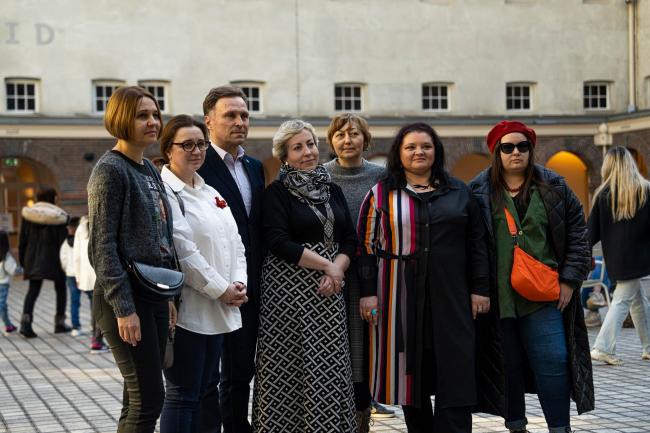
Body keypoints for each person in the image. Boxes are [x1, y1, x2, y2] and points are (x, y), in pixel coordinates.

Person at [357, 122, 490, 433]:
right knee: (410, 372)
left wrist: (480, 289)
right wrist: (368, 292)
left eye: (426, 146)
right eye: (411, 147)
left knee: (454, 370)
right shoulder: (381, 194)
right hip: (398, 297)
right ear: (398, 153)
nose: (419, 152)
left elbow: (477, 244)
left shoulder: (460, 192)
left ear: (436, 151)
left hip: (452, 295)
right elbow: (365, 247)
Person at [469, 120, 593, 433]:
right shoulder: (478, 190)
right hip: (498, 297)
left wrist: (569, 279)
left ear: (531, 150)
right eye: (507, 147)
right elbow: (469, 244)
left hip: (546, 294)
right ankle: (516, 425)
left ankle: (559, 427)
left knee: (554, 360)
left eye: (522, 146)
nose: (516, 152)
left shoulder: (555, 186)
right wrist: (475, 289)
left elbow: (579, 233)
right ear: (496, 151)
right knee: (506, 365)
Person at [252, 119, 357, 432]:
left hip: (329, 291)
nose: (307, 152)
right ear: (284, 155)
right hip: (288, 294)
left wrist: (337, 267)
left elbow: (350, 238)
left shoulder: (332, 189)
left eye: (310, 144)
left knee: (329, 366)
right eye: (297, 147)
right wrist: (327, 265)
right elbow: (278, 241)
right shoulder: (276, 193)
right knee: (287, 368)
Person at [87, 85, 178, 433]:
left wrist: (168, 296)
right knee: (149, 400)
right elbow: (102, 247)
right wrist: (124, 308)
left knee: (137, 398)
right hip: (123, 299)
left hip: (153, 295)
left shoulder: (148, 170)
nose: (153, 121)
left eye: (155, 114)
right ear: (121, 119)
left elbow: (163, 239)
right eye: (143, 115)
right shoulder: (111, 170)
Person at [159, 115, 248, 433]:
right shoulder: (166, 192)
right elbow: (183, 252)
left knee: (208, 389)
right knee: (183, 395)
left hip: (221, 304)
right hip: (188, 310)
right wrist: (221, 289)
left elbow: (235, 241)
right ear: (169, 149)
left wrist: (238, 283)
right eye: (187, 145)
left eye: (201, 144)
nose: (196, 150)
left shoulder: (209, 190)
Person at [197, 86, 265, 433]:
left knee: (241, 369)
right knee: (209, 374)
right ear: (209, 121)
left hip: (249, 285)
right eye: (230, 115)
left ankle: (238, 427)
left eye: (244, 115)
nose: (240, 122)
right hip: (210, 286)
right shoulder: (199, 164)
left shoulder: (254, 167)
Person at [323, 113, 389, 432]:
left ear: (366, 139)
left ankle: (362, 420)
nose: (347, 141)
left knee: (366, 354)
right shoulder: (320, 176)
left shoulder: (383, 177)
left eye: (354, 134)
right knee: (337, 352)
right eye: (340, 135)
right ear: (331, 141)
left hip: (372, 278)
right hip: (329, 277)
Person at [589, 146, 650, 365]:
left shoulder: (602, 195)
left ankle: (648, 346)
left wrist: (584, 255)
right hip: (639, 258)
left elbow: (591, 232)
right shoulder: (646, 190)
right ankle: (602, 347)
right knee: (622, 300)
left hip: (616, 260)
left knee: (638, 302)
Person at [18, 187, 70, 338]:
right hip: (55, 258)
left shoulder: (28, 215)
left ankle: (25, 323)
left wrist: (23, 261)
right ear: (52, 198)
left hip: (32, 258)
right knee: (61, 289)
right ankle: (59, 323)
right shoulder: (59, 216)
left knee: (33, 290)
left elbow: (23, 240)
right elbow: (63, 242)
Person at [73, 216, 109, 353]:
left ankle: (97, 338)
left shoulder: (81, 227)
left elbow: (76, 255)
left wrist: (77, 275)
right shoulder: (102, 221)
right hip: (100, 274)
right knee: (100, 309)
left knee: (96, 308)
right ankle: (97, 340)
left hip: (87, 276)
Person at [60, 216, 85, 336]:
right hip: (82, 273)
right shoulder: (82, 239)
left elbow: (63, 258)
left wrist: (67, 269)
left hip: (70, 274)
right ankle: (95, 325)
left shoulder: (66, 242)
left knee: (74, 301)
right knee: (93, 299)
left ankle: (76, 327)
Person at [0, 230, 18, 334]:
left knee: (3, 306)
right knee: (2, 306)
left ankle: (8, 325)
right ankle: (8, 325)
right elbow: (13, 270)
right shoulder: (6, 257)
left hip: (2, 284)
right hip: (2, 284)